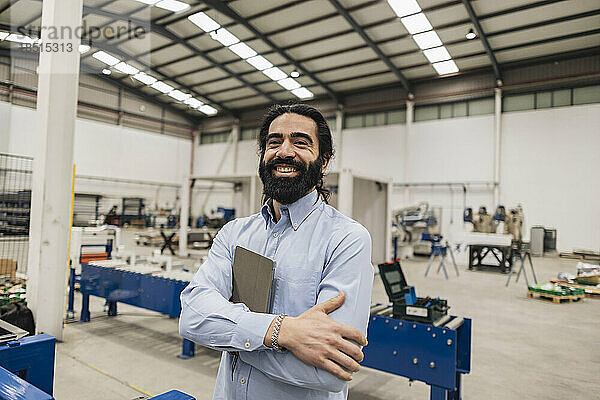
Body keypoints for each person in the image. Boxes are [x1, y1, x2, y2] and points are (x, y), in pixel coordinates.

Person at [179, 103, 374, 400]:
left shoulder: (346, 239)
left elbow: (328, 370)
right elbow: (192, 317)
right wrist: (280, 332)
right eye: (274, 142)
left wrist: (233, 338)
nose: (284, 152)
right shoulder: (236, 234)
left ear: (323, 161)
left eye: (300, 142)